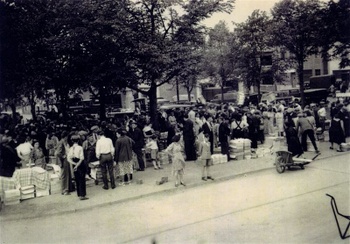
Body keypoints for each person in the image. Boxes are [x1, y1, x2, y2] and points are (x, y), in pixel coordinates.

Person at [67, 135, 88, 200]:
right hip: (80, 164)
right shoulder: (80, 148)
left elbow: (68, 159)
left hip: (74, 162)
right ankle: (82, 195)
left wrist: (74, 164)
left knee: (77, 179)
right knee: (82, 179)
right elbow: (82, 158)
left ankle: (79, 194)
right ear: (78, 141)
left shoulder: (70, 148)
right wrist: (77, 165)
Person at [55, 131, 74, 195]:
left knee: (67, 173)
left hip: (66, 159)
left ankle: (68, 188)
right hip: (64, 160)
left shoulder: (63, 142)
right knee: (64, 175)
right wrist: (63, 156)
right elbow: (58, 153)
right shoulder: (61, 142)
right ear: (65, 137)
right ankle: (64, 190)